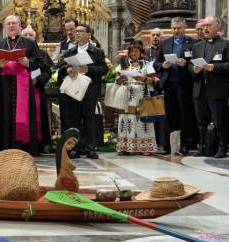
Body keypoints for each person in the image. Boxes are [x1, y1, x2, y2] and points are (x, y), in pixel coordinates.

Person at [0, 15, 44, 156]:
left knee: (25, 115)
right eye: (8, 24)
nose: (11, 26)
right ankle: (5, 146)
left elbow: (39, 64)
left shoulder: (30, 43)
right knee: (4, 114)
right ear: (4, 26)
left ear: (20, 25)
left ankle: (25, 148)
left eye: (14, 23)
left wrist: (28, 63)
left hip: (24, 85)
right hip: (5, 87)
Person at [189, 16, 229, 158]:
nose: (205, 28)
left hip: (217, 89)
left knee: (219, 120)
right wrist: (194, 70)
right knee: (201, 122)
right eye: (204, 26)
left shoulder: (227, 44)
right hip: (200, 89)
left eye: (209, 25)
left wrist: (213, 67)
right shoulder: (197, 46)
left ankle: (222, 147)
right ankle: (202, 147)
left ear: (218, 27)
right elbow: (190, 65)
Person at [58, 24, 108, 159]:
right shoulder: (70, 52)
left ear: (88, 35)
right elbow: (61, 68)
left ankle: (90, 148)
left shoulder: (97, 52)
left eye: (81, 31)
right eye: (76, 31)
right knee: (74, 120)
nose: (77, 33)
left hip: (90, 90)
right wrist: (67, 69)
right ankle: (75, 148)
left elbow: (104, 69)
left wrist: (89, 69)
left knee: (89, 120)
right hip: (74, 90)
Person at [154, 17, 197, 155]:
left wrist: (186, 64)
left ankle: (186, 144)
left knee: (185, 115)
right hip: (169, 84)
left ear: (184, 28)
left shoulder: (193, 43)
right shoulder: (165, 43)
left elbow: (195, 62)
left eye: (179, 28)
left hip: (185, 84)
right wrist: (163, 65)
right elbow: (156, 63)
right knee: (170, 115)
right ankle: (169, 145)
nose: (176, 31)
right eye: (173, 28)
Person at [114, 40, 158, 155]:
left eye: (136, 51)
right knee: (126, 121)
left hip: (142, 97)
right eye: (132, 51)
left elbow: (154, 81)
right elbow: (116, 81)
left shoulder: (147, 64)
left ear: (141, 52)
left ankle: (145, 148)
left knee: (142, 122)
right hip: (126, 98)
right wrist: (120, 79)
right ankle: (125, 148)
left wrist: (143, 79)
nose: (134, 53)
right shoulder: (123, 64)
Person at [21, 25, 52, 153]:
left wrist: (37, 80)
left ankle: (39, 143)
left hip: (36, 90)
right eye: (25, 35)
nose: (28, 37)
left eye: (30, 35)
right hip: (21, 92)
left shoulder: (42, 54)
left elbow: (47, 73)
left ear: (35, 37)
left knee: (38, 118)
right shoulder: (18, 53)